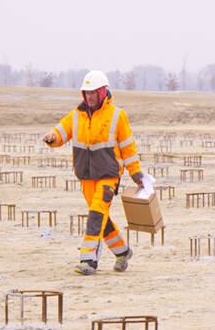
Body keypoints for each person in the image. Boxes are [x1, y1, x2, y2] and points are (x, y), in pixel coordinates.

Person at [43, 70, 144, 275]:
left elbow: (128, 147)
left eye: (92, 93)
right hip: (86, 176)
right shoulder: (76, 115)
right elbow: (62, 131)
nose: (88, 97)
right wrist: (52, 137)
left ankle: (88, 260)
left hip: (108, 175)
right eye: (85, 93)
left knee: (97, 213)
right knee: (100, 217)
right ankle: (122, 251)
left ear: (102, 92)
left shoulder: (117, 115)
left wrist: (136, 174)